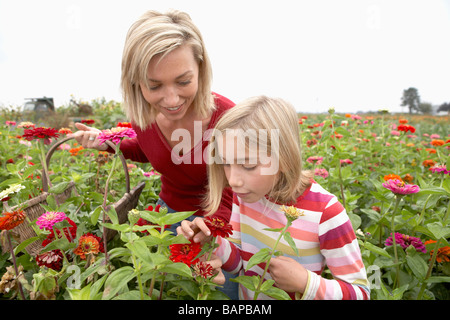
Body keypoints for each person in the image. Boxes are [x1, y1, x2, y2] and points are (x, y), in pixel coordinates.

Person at [69, 9, 238, 298]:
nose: (171, 99)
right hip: (166, 219)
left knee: (226, 293)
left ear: (200, 67)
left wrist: (212, 229)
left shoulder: (227, 117)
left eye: (183, 81)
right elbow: (150, 150)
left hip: (220, 223)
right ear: (136, 82)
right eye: (154, 86)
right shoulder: (145, 117)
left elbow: (240, 186)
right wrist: (107, 142)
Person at [178, 96, 371, 300]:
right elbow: (241, 264)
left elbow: (361, 293)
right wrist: (212, 240)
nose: (233, 181)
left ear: (284, 159)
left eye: (248, 166)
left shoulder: (326, 213)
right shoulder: (245, 196)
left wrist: (306, 283)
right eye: (226, 163)